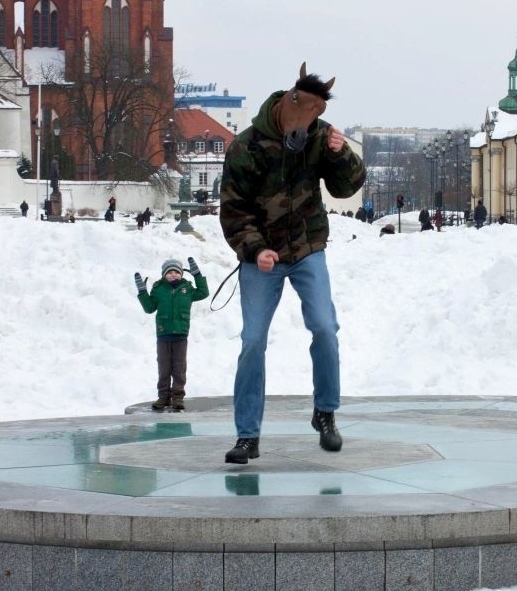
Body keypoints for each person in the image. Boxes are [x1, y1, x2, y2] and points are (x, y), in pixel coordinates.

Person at [219, 63, 366, 464]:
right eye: (305, 110)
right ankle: (247, 435)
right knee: (252, 341)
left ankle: (326, 413)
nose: (309, 121)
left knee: (324, 327)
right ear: (288, 100)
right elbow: (233, 209)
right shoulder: (246, 146)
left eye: (318, 113)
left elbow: (347, 187)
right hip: (262, 257)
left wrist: (341, 155)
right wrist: (255, 249)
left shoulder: (319, 138)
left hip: (307, 249)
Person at [134, 257, 209, 412]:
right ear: (164, 274)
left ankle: (178, 398)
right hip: (163, 335)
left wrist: (197, 275)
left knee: (179, 368)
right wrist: (142, 292)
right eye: (170, 272)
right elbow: (149, 308)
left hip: (180, 335)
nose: (173, 274)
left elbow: (204, 292)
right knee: (164, 368)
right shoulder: (158, 289)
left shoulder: (187, 289)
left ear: (181, 274)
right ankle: (163, 397)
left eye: (176, 272)